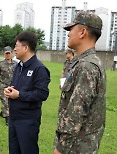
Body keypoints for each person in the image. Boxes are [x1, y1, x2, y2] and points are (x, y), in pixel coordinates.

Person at [53, 11, 106, 154]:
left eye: (71, 29)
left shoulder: (87, 66)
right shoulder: (85, 62)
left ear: (82, 32)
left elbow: (76, 113)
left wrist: (61, 148)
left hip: (76, 147)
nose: (68, 34)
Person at [4, 31, 51, 154]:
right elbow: (17, 86)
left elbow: (42, 94)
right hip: (13, 118)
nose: (14, 49)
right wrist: (9, 90)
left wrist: (19, 95)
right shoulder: (19, 66)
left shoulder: (39, 69)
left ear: (25, 48)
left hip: (28, 121)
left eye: (16, 46)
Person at [0, 46, 17, 126]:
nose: (7, 55)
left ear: (11, 53)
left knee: (11, 102)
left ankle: (3, 112)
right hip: (3, 85)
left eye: (9, 53)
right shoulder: (0, 64)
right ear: (4, 54)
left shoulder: (16, 64)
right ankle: (7, 118)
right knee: (5, 101)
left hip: (12, 86)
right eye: (6, 53)